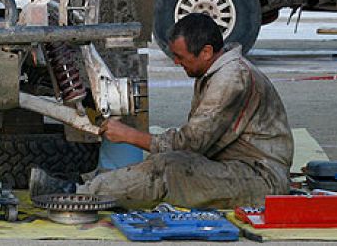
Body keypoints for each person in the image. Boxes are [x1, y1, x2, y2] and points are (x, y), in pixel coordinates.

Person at [30, 13, 294, 209]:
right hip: (236, 167)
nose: (176, 62)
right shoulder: (218, 71)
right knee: (161, 161)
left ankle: (75, 194)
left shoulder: (231, 79)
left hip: (261, 181)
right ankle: (86, 185)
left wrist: (128, 135)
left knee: (167, 170)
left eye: (181, 57)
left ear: (206, 52)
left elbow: (191, 143)